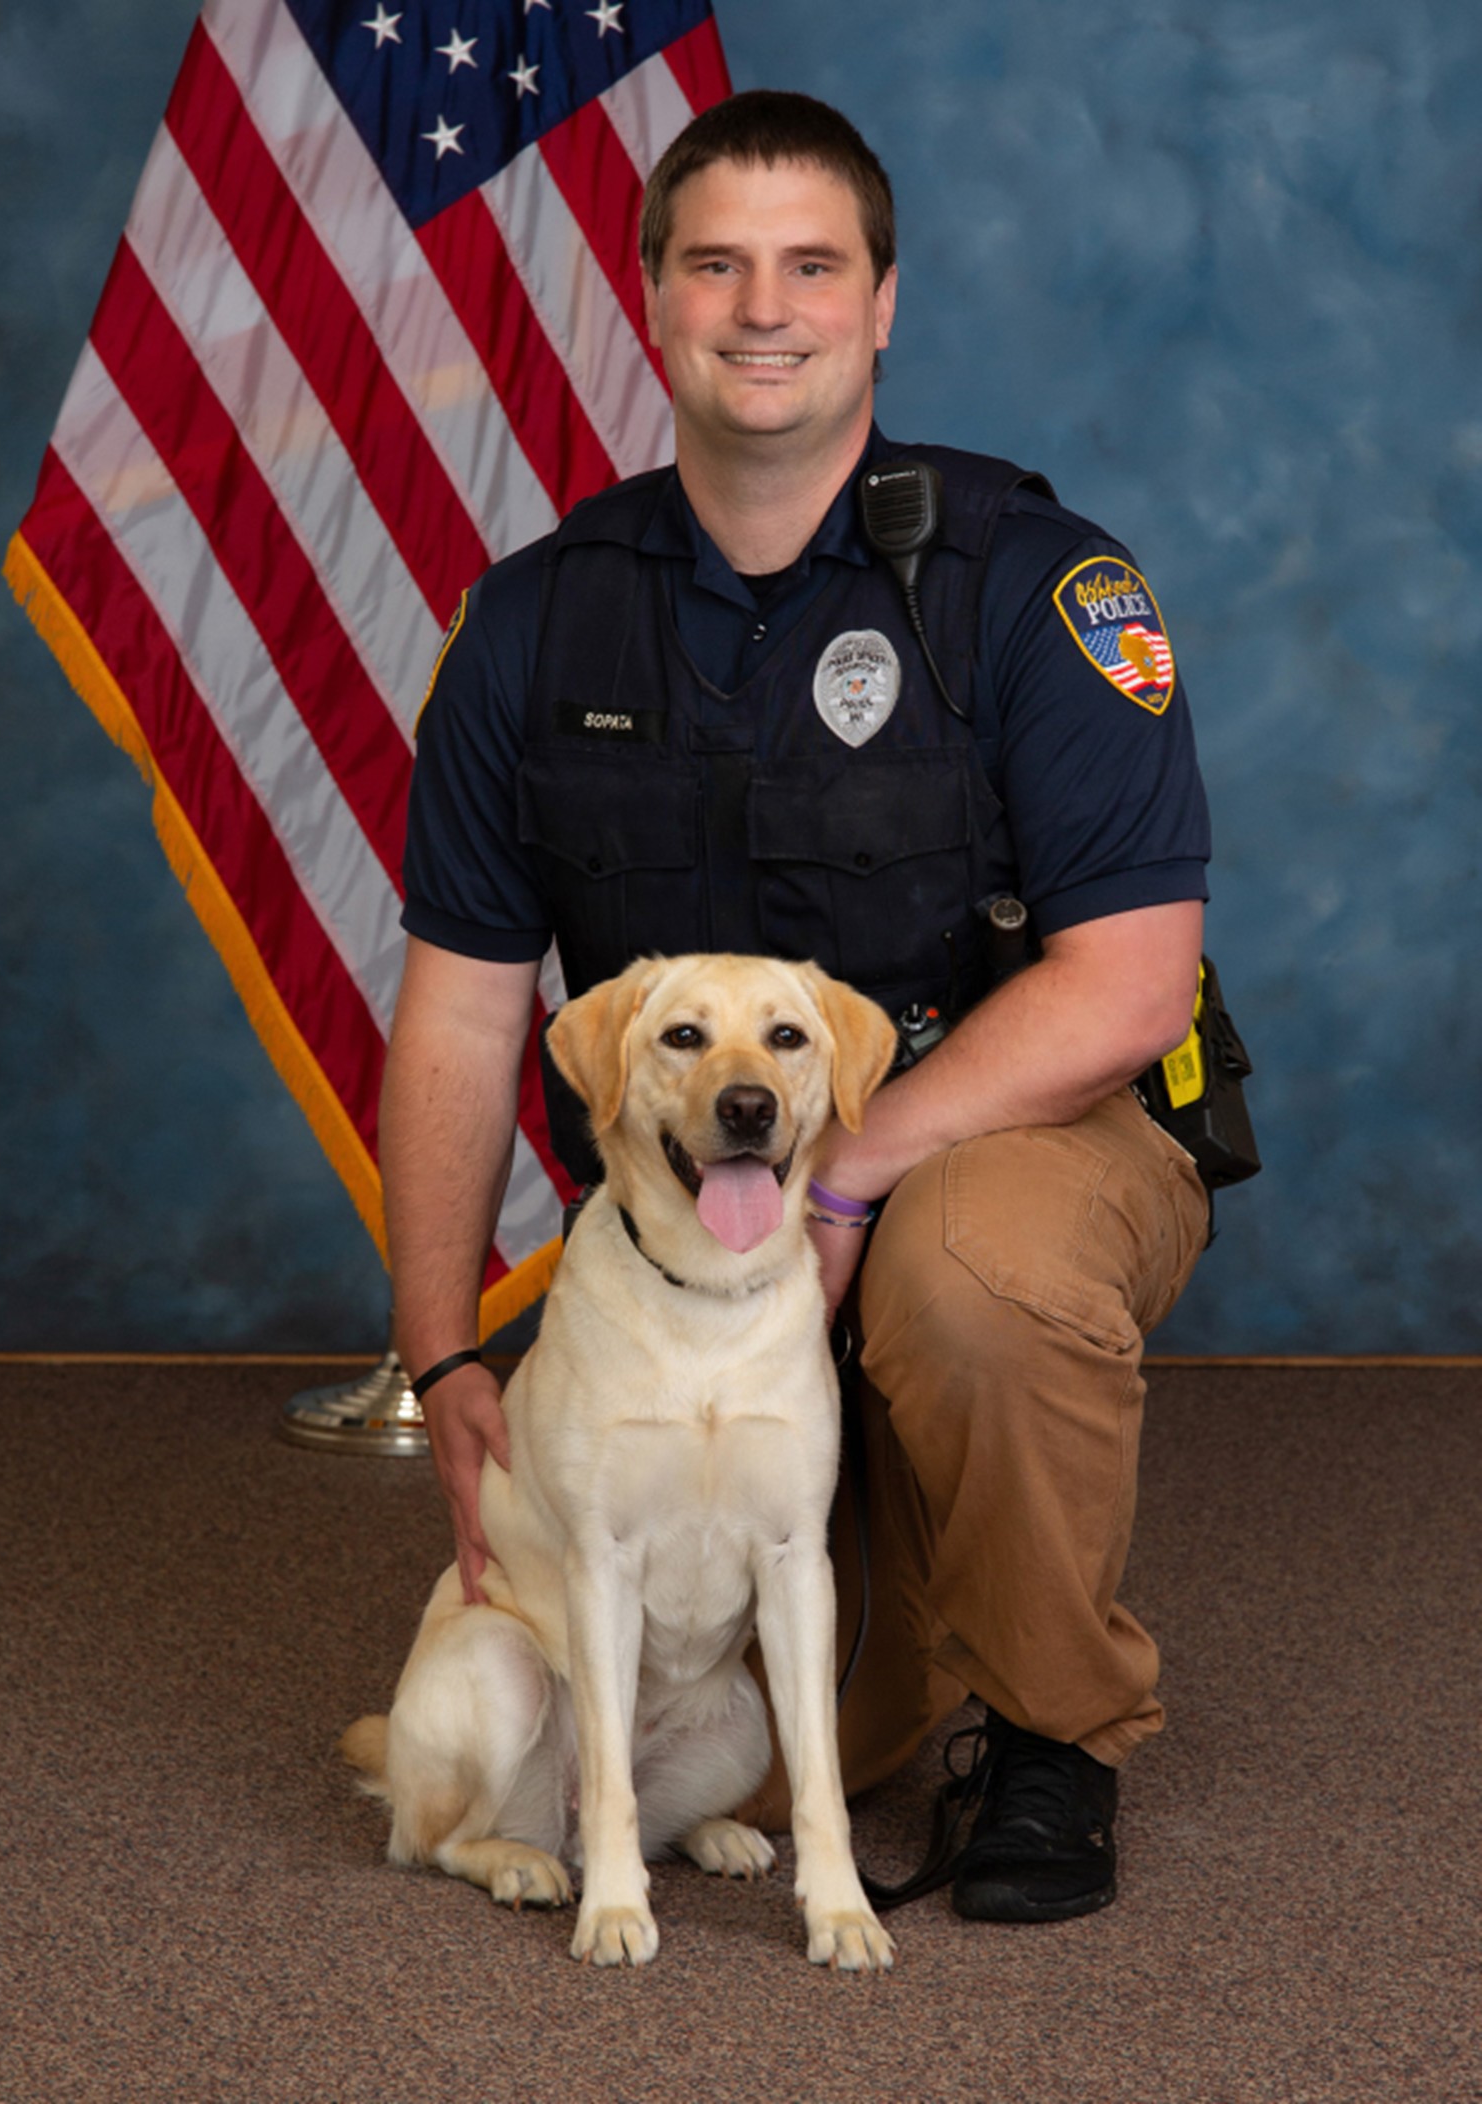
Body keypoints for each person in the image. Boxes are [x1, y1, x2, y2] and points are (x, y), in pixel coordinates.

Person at [381, 89, 1213, 1924]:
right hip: (701, 1227)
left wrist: (854, 1177)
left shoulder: (1034, 585)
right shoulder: (534, 624)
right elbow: (459, 1010)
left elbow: (1137, 980)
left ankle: (1055, 1733)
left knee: (965, 1275)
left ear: (885, 302)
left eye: (813, 265)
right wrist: (442, 1351)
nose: (766, 308)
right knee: (775, 1726)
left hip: (1017, 1136)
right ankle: (909, 1651)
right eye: (719, 264)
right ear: (654, 297)